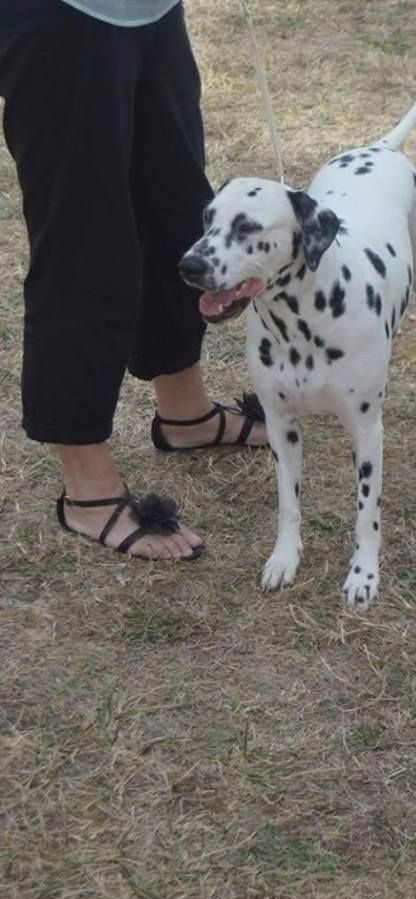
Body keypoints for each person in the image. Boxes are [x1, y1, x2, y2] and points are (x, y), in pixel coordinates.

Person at [0, 0, 267, 561]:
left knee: (178, 213)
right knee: (83, 243)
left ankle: (186, 414)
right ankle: (87, 490)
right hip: (56, 16)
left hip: (150, 12)